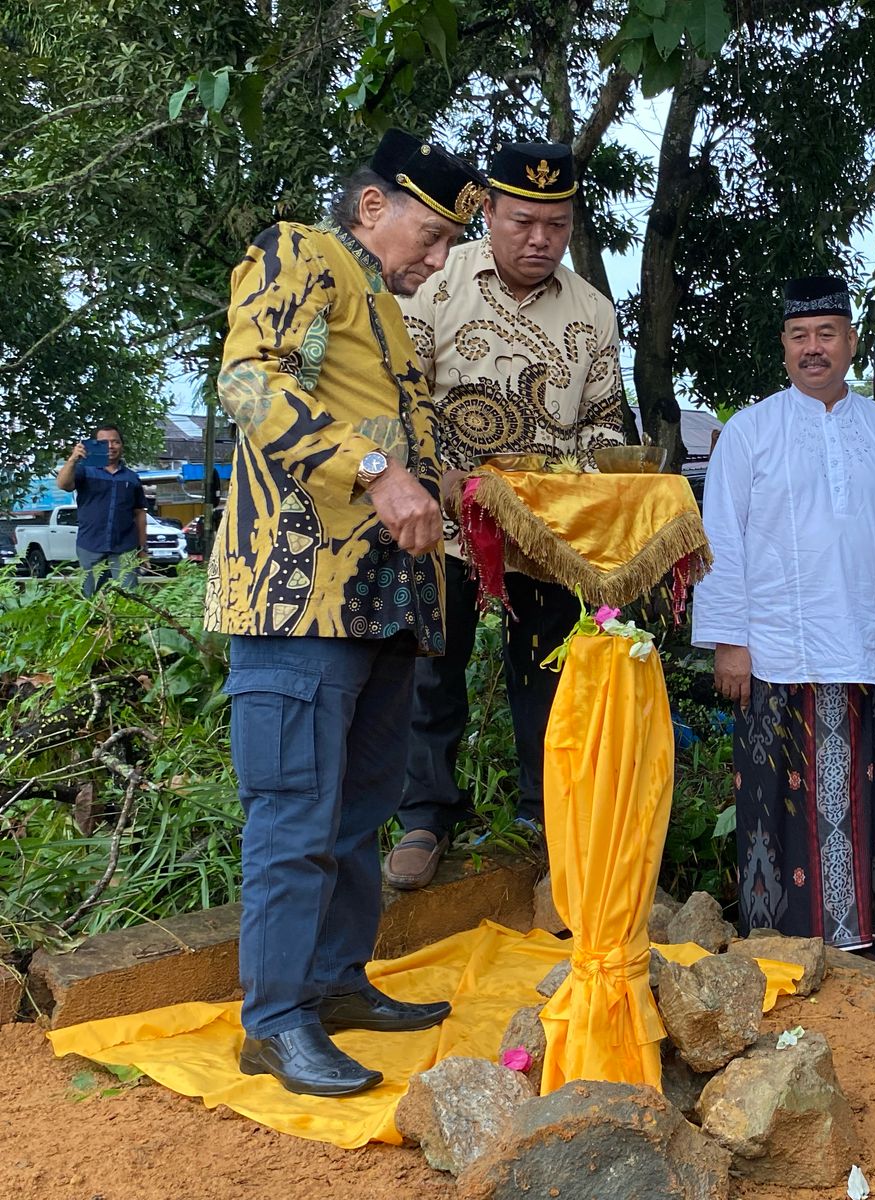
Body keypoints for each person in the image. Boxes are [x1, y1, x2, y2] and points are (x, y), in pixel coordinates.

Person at [206, 130, 485, 1097]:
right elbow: (247, 383)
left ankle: (331, 984)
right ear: (374, 208)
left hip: (381, 606)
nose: (440, 260)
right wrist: (374, 471)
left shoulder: (386, 311)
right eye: (436, 236)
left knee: (361, 808)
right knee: (293, 812)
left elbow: (395, 436)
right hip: (295, 597)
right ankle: (274, 1022)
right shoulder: (302, 253)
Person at [382, 141, 626, 891]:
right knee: (429, 670)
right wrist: (435, 476)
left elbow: (605, 424)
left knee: (549, 679)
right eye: (522, 221)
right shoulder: (435, 281)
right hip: (441, 524)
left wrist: (574, 488)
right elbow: (397, 396)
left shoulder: (593, 310)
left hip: (545, 535)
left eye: (556, 224)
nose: (540, 239)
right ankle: (424, 817)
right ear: (486, 212)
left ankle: (547, 824)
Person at [692, 275, 875, 963]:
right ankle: (776, 945)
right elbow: (720, 543)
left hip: (863, 645)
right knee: (773, 801)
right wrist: (728, 644)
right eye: (800, 336)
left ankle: (855, 939)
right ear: (783, 346)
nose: (813, 348)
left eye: (826, 334)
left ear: (851, 341)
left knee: (856, 792)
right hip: (772, 648)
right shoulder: (749, 432)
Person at [53, 425, 146, 596]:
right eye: (104, 443)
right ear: (94, 445)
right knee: (90, 597)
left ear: (121, 445)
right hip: (90, 544)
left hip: (125, 547)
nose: (110, 446)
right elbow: (63, 484)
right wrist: (73, 459)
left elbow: (139, 513)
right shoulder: (84, 471)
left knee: (130, 597)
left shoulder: (131, 478)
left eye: (115, 442)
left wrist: (143, 549)